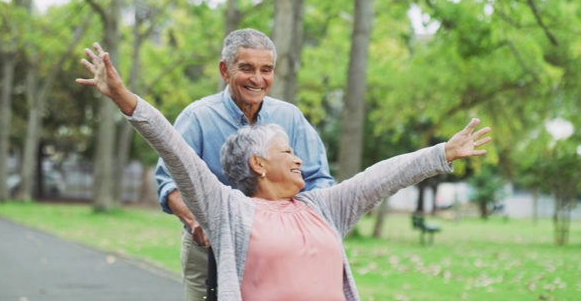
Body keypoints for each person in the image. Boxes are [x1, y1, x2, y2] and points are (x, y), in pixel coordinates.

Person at [76, 43, 492, 301]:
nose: (300, 161)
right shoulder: (230, 210)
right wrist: (124, 98)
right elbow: (175, 154)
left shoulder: (322, 203)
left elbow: (382, 176)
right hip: (208, 245)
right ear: (258, 164)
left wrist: (444, 153)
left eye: (267, 70)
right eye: (287, 152)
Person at [153, 28, 334, 299]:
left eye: (266, 69)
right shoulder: (198, 117)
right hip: (211, 250)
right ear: (225, 71)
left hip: (279, 250)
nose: (258, 79)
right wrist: (197, 221)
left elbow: (319, 180)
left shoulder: (290, 117)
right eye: (247, 68)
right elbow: (169, 182)